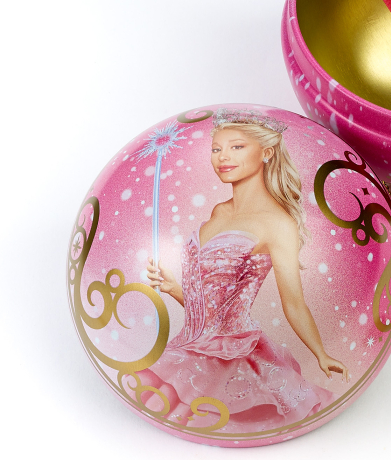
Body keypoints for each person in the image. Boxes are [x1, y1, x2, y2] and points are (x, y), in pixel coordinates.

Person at [136, 109, 347, 432]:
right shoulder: (219, 211)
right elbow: (210, 307)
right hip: (186, 349)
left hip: (233, 358)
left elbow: (294, 303)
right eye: (216, 149)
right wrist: (175, 288)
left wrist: (320, 353)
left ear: (267, 152)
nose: (223, 157)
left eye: (236, 147)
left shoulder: (278, 224)